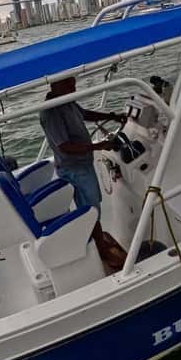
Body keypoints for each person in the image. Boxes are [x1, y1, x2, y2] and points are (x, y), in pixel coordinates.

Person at [39, 76, 127, 269]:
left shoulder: (66, 101)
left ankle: (98, 238)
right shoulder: (51, 112)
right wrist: (100, 145)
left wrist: (110, 116)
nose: (73, 87)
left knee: (92, 204)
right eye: (68, 84)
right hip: (74, 168)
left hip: (83, 165)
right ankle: (102, 250)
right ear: (54, 84)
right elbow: (65, 146)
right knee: (90, 208)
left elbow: (84, 114)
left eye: (73, 83)